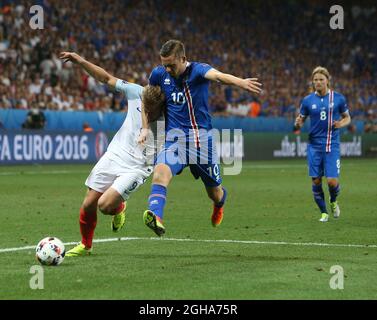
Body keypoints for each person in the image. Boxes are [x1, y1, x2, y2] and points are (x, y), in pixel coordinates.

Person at [138, 39, 262, 236]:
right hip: (175, 141)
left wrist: (241, 82)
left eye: (171, 65)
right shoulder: (159, 74)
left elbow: (218, 76)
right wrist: (145, 128)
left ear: (183, 59)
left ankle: (220, 203)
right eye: (165, 65)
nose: (168, 69)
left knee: (214, 192)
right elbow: (146, 99)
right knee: (160, 174)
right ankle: (156, 216)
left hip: (201, 143)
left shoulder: (197, 71)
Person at [59, 52, 165, 256]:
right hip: (115, 153)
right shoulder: (136, 92)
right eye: (145, 109)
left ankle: (118, 207)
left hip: (139, 167)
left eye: (152, 111)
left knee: (105, 206)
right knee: (88, 203)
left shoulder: (171, 115)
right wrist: (81, 61)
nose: (147, 113)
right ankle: (86, 245)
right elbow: (106, 78)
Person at [294, 66, 351, 222]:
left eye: (321, 79)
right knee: (316, 180)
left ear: (327, 81)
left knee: (332, 181)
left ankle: (333, 201)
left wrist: (341, 123)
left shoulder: (338, 98)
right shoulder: (307, 100)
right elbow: (300, 121)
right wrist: (298, 123)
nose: (318, 82)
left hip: (331, 145)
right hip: (314, 146)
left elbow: (347, 118)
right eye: (315, 80)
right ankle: (324, 213)